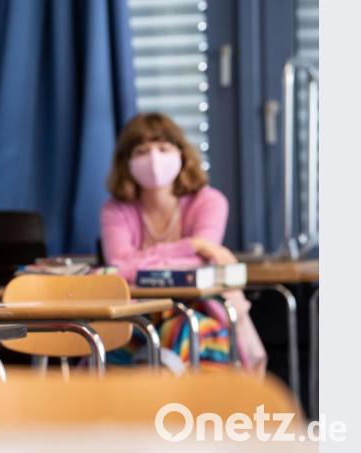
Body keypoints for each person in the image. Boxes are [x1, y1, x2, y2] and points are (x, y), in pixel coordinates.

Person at [101, 112, 266, 374]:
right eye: (142, 151)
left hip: (206, 315)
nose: (154, 158)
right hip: (139, 314)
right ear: (127, 162)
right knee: (114, 341)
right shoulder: (116, 210)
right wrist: (191, 245)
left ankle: (166, 411)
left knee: (178, 332)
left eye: (163, 148)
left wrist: (141, 260)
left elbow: (199, 266)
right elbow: (119, 264)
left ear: (182, 154)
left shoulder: (209, 202)